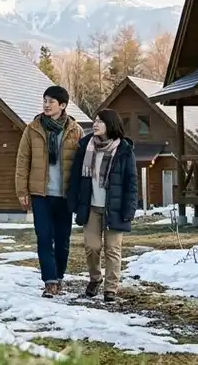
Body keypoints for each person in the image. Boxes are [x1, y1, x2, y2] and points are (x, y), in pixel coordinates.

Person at [16, 85, 85, 298]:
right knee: (44, 237)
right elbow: (22, 160)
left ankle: (60, 276)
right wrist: (22, 190)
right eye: (44, 100)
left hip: (65, 195)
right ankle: (50, 281)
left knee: (63, 239)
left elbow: (82, 164)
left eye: (51, 101)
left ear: (62, 105)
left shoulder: (75, 130)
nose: (46, 105)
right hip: (40, 194)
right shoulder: (33, 128)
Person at [67, 108, 137, 302]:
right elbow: (75, 178)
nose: (95, 124)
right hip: (91, 206)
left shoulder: (124, 150)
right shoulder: (85, 146)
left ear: (111, 125)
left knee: (113, 249)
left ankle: (111, 288)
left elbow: (131, 183)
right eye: (95, 120)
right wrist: (73, 202)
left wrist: (129, 209)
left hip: (114, 207)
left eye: (100, 121)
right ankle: (95, 279)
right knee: (92, 247)